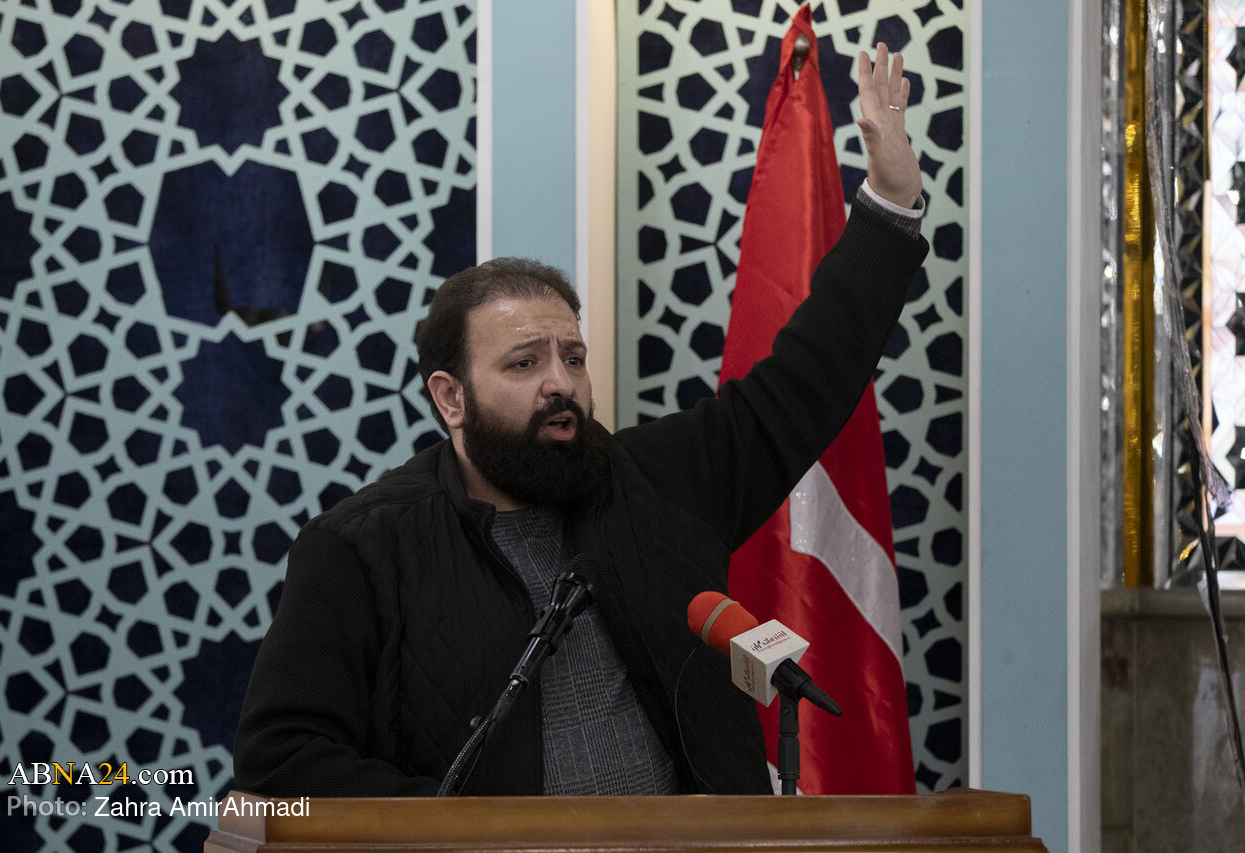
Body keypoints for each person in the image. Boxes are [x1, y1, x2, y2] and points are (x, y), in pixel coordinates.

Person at [233, 43, 928, 797]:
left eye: (572, 356)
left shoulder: (663, 481)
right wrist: (465, 833)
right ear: (451, 397)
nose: (560, 384)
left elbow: (806, 380)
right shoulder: (361, 549)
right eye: (524, 363)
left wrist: (889, 205)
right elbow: (284, 759)